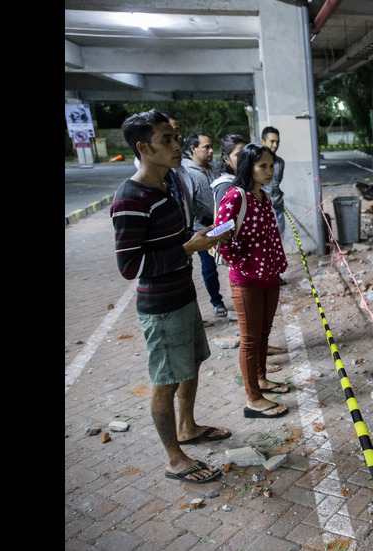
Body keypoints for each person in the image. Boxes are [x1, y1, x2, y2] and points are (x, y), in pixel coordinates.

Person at [111, 109, 233, 484]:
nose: (177, 144)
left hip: (183, 294)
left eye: (176, 137)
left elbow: (178, 239)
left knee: (191, 364)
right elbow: (130, 266)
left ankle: (188, 427)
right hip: (160, 307)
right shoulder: (129, 198)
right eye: (167, 140)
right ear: (144, 147)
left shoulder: (171, 184)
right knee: (166, 379)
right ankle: (175, 459)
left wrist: (205, 234)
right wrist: (188, 249)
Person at [214, 143, 291, 419]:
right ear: (249, 167)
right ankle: (253, 399)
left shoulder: (263, 197)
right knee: (249, 340)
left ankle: (261, 379)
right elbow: (220, 237)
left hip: (270, 276)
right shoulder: (235, 197)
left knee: (263, 334)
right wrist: (241, 262)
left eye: (271, 166)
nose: (269, 171)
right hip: (246, 281)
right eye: (263, 166)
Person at [180, 132, 229, 317]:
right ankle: (216, 302)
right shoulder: (189, 174)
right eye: (206, 147)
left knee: (226, 261)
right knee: (209, 268)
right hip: (203, 230)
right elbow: (191, 204)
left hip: (220, 226)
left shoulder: (213, 169)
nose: (210, 151)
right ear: (193, 149)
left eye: (211, 147)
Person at [259, 127, 286, 240]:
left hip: (277, 204)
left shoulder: (280, 162)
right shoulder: (256, 162)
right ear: (263, 142)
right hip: (261, 207)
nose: (275, 145)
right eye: (272, 142)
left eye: (277, 142)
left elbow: (278, 182)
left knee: (278, 238)